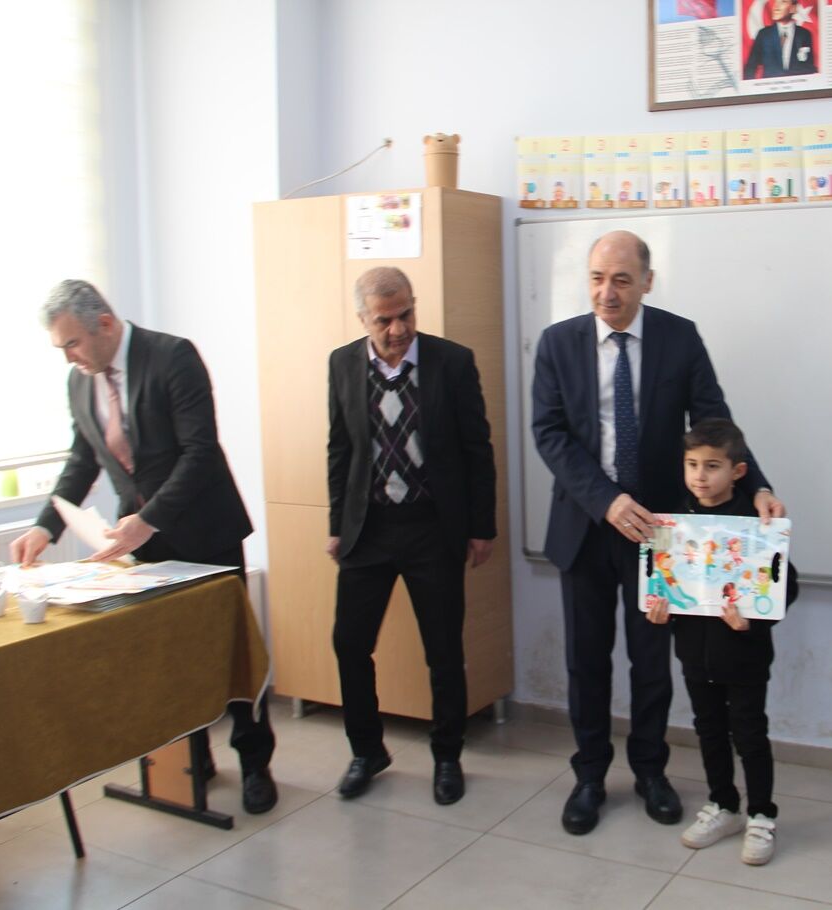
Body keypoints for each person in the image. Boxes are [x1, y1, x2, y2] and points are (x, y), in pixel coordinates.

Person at [531, 230, 785, 836]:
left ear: (647, 281)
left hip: (662, 532)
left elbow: (715, 422)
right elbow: (550, 433)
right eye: (597, 278)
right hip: (586, 525)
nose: (607, 292)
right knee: (586, 661)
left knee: (650, 662)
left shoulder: (679, 337)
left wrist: (756, 486)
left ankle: (650, 771)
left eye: (621, 280)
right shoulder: (557, 343)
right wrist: (607, 500)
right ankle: (590, 775)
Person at [9, 280, 278, 814]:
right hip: (140, 541)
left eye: (72, 343)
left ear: (105, 324)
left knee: (229, 652)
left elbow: (200, 453)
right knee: (168, 653)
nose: (69, 357)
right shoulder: (79, 381)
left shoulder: (171, 356)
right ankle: (192, 760)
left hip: (204, 531)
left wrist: (148, 520)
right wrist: (45, 527)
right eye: (61, 347)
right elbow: (82, 459)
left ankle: (255, 764)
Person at [326, 266, 496, 805]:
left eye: (406, 315)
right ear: (363, 319)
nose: (398, 329)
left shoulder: (452, 362)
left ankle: (447, 755)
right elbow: (340, 449)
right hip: (368, 529)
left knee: (443, 650)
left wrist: (481, 527)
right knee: (350, 643)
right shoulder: (342, 364)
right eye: (384, 320)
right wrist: (337, 524)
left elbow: (477, 449)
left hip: (432, 527)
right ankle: (366, 750)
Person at [646, 418, 798, 866]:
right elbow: (663, 584)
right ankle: (723, 805)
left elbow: (786, 587)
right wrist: (659, 610)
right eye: (692, 464)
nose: (700, 476)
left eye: (712, 466)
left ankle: (762, 815)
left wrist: (752, 620)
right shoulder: (672, 523)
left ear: (738, 471)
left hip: (745, 654)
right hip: (695, 653)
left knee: (749, 735)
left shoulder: (758, 525)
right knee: (708, 730)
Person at [742, 0, 816, 80]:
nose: (776, 7)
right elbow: (751, 67)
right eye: (776, 2)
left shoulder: (804, 34)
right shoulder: (763, 35)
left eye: (783, 2)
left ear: (793, 8)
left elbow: (809, 67)